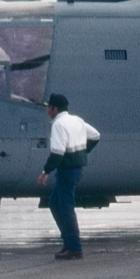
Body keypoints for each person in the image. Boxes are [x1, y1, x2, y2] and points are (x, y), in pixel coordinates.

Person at [37, 93, 100, 259]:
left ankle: (74, 247)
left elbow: (57, 153)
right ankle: (68, 242)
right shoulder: (76, 120)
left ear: (54, 109)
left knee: (65, 208)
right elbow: (95, 135)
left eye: (49, 108)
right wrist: (82, 153)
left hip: (66, 171)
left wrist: (45, 172)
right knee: (55, 203)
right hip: (76, 169)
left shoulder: (58, 124)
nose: (47, 111)